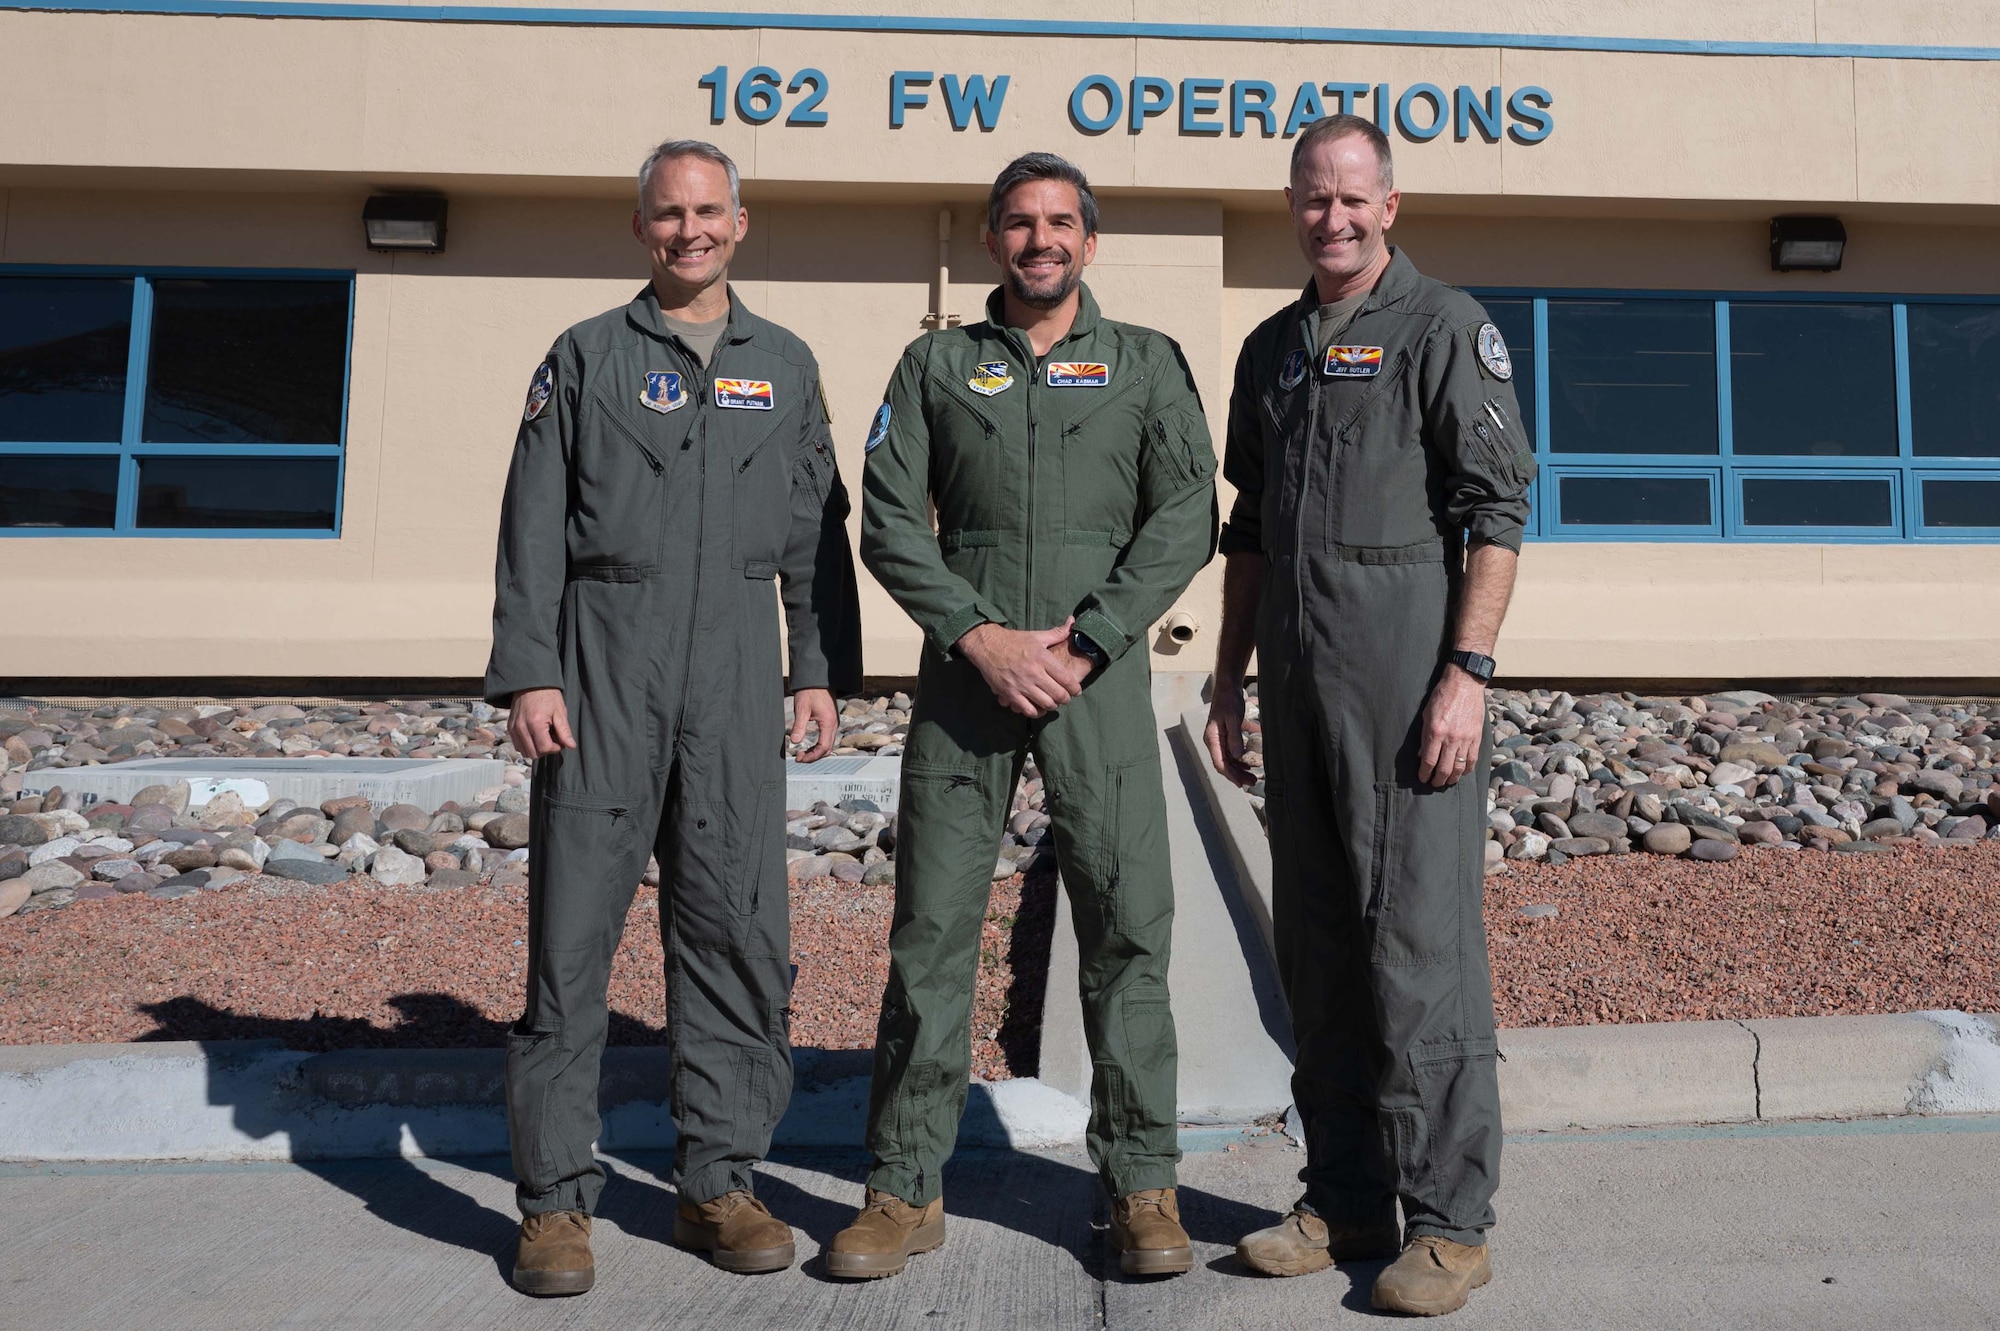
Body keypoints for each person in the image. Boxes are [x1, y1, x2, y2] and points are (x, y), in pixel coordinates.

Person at [484, 138, 861, 1295]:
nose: (687, 230)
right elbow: (533, 518)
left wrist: (816, 671)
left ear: (741, 224)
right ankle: (553, 1201)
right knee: (573, 937)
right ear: (639, 228)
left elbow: (815, 531)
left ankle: (719, 1177)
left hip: (739, 666)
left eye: (707, 211)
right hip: (606, 658)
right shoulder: (587, 356)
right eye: (666, 214)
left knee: (738, 926)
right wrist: (530, 669)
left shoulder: (784, 364)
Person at [833, 152, 1217, 1280]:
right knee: (933, 931)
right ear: (991, 240)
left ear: (1088, 242)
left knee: (1126, 923)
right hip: (966, 672)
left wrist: (1090, 637)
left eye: (1060, 222)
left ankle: (1141, 1185)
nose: (1039, 239)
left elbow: (1185, 511)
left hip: (1095, 674)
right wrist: (980, 635)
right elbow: (889, 515)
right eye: (1017, 222)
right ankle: (903, 1186)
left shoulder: (1145, 364)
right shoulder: (935, 361)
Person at [1203, 113, 1535, 1318]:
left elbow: (1494, 513)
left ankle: (1448, 1221)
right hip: (1294, 682)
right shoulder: (1272, 346)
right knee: (1321, 946)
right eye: (1311, 197)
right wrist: (1229, 675)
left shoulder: (1443, 327)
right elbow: (1245, 531)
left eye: (1352, 197)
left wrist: (1467, 673)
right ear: (1290, 205)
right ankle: (1344, 1193)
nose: (1330, 217)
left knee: (1418, 947)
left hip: (1405, 679)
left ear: (1388, 205)